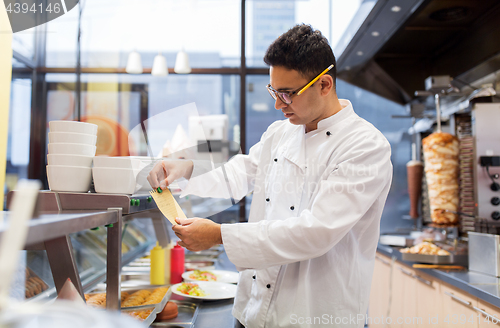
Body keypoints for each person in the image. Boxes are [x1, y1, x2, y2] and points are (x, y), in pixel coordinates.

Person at [148, 24, 392, 328]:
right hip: (252, 312)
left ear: (325, 84)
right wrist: (186, 170)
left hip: (313, 316)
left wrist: (219, 235)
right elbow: (240, 173)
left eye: (288, 94)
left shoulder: (365, 146)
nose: (278, 104)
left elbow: (316, 232)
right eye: (274, 92)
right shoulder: (281, 133)